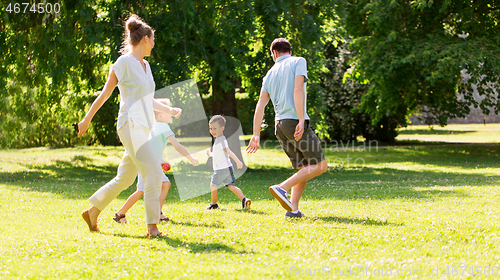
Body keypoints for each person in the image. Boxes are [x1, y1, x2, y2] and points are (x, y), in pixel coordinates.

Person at [78, 14, 181, 237]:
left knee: (124, 178)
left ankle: (93, 212)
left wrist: (169, 110)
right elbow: (105, 94)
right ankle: (152, 227)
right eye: (152, 39)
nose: (154, 43)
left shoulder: (146, 66)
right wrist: (86, 119)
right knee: (153, 174)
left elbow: (148, 98)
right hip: (129, 124)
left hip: (143, 128)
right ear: (145, 38)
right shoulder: (124, 62)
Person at [246, 38, 327, 218]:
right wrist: (300, 119)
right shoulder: (298, 61)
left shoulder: (269, 74)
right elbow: (298, 90)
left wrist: (256, 134)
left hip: (280, 126)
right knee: (320, 165)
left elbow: (260, 105)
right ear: (289, 50)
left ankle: (293, 210)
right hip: (294, 121)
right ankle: (281, 188)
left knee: (304, 167)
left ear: (274, 53)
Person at [113, 98, 199, 223]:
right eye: (168, 110)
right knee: (141, 191)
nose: (171, 114)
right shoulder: (164, 126)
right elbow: (177, 146)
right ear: (160, 115)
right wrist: (191, 158)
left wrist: (161, 160)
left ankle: (158, 212)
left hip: (150, 163)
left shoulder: (152, 127)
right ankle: (120, 213)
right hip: (147, 165)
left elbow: (152, 146)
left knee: (165, 184)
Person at [206, 115, 251, 210]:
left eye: (215, 128)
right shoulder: (219, 139)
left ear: (222, 128)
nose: (212, 131)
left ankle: (214, 205)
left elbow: (228, 151)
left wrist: (238, 161)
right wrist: (211, 154)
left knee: (213, 186)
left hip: (221, 169)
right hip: (228, 168)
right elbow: (219, 153)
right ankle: (244, 199)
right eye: (210, 128)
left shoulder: (221, 140)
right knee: (231, 186)